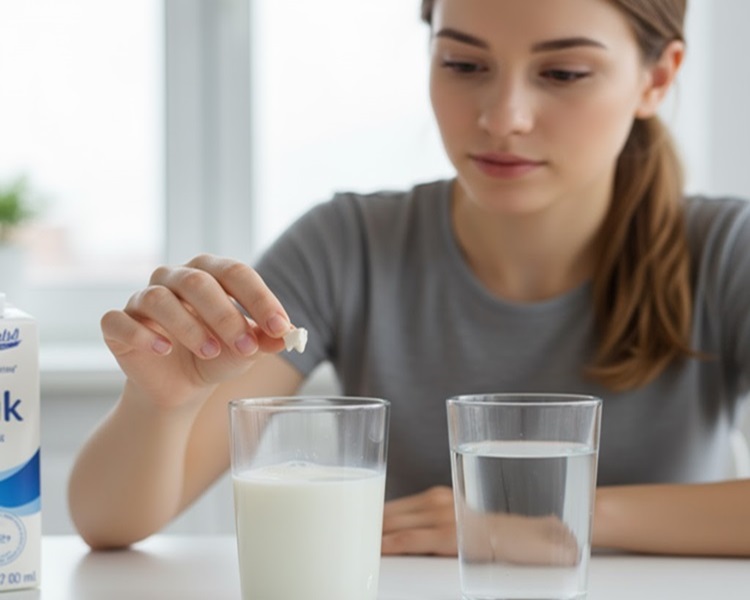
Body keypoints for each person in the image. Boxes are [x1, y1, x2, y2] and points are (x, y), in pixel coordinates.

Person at [68, 0, 750, 557]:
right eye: (463, 63)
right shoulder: (350, 244)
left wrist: (546, 522)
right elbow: (110, 525)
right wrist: (161, 404)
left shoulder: (726, 251)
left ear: (657, 79)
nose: (502, 116)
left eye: (564, 73)